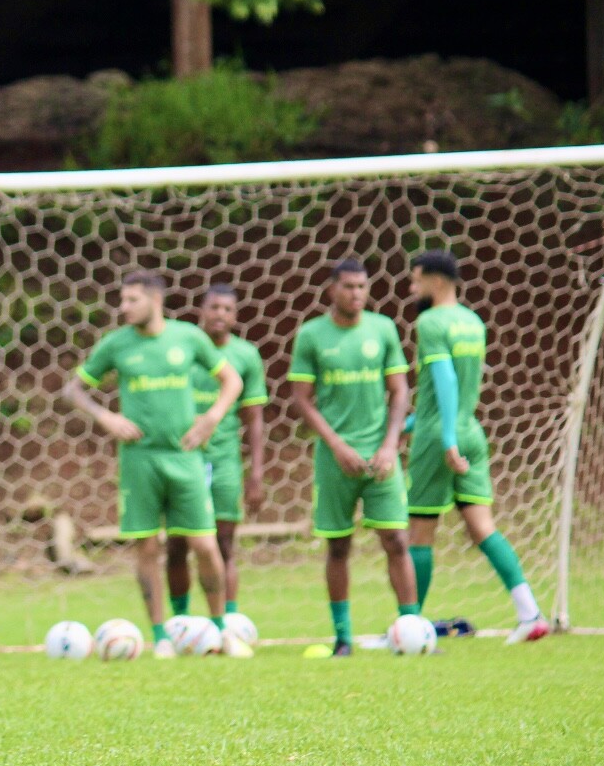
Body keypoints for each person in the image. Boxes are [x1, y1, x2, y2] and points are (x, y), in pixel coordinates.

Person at [64, 272, 245, 658]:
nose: (124, 307)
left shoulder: (188, 338)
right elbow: (73, 389)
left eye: (132, 300)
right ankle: (161, 637)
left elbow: (232, 381)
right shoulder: (117, 344)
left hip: (185, 457)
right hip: (139, 460)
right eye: (123, 300)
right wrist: (106, 417)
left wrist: (211, 418)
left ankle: (220, 632)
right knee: (147, 547)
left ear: (155, 300)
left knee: (205, 544)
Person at [404, 250, 551, 644]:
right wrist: (409, 423)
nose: (412, 287)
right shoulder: (473, 322)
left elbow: (446, 379)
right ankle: (530, 613)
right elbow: (457, 389)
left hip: (440, 437)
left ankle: (410, 626)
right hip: (471, 429)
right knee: (483, 528)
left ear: (436, 281)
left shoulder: (430, 321)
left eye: (416, 280)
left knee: (419, 533)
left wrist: (445, 439)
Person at [286, 258, 420, 656]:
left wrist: (390, 445)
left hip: (381, 457)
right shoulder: (311, 335)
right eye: (348, 287)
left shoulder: (383, 329)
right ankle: (343, 638)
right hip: (335, 458)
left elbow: (400, 390)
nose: (356, 294)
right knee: (339, 547)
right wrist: (336, 445)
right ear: (332, 289)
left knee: (397, 540)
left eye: (362, 286)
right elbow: (302, 399)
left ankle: (412, 631)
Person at [165, 284, 267, 623]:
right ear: (201, 310)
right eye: (214, 307)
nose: (220, 314)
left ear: (235, 316)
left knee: (224, 544)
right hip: (182, 460)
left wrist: (256, 474)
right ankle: (180, 622)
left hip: (224, 462)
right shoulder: (183, 351)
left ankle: (227, 622)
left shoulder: (245, 356)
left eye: (227, 309)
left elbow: (254, 418)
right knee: (178, 544)